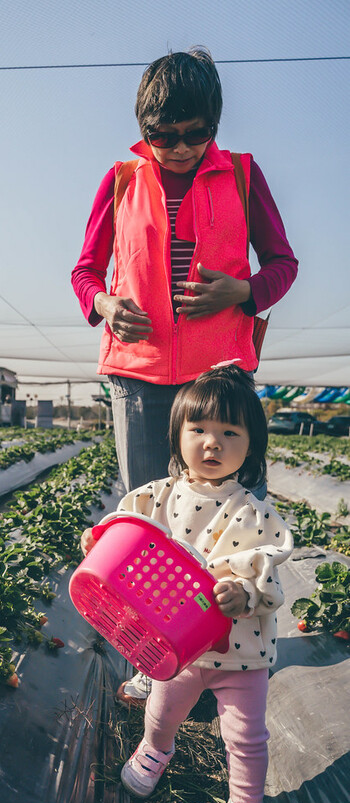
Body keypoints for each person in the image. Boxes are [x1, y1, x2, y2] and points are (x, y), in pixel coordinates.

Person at [80, 365, 293, 803]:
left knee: (246, 738)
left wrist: (246, 595)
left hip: (242, 653)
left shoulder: (256, 514)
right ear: (177, 437)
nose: (212, 443)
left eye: (229, 432)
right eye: (198, 430)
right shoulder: (158, 496)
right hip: (177, 646)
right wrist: (96, 541)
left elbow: (270, 578)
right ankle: (157, 748)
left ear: (251, 447)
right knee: (162, 710)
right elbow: (121, 529)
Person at [71, 47, 298, 494]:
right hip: (139, 373)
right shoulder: (122, 180)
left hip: (222, 373)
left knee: (235, 509)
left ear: (214, 125)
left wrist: (242, 292)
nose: (180, 148)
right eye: (163, 135)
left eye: (197, 134)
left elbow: (283, 264)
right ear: (144, 128)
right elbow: (86, 270)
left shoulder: (242, 175)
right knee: (150, 506)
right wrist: (104, 302)